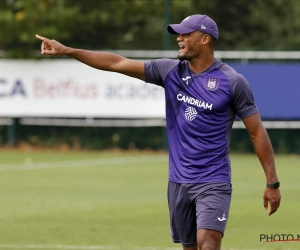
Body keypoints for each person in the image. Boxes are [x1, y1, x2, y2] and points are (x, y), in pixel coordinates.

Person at [36, 14, 281, 250]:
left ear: (205, 39)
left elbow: (257, 132)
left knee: (208, 244)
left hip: (213, 181)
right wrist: (68, 51)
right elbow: (117, 63)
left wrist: (272, 182)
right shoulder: (170, 71)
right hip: (178, 182)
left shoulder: (232, 81)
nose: (179, 38)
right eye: (178, 34)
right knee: (191, 247)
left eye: (185, 34)